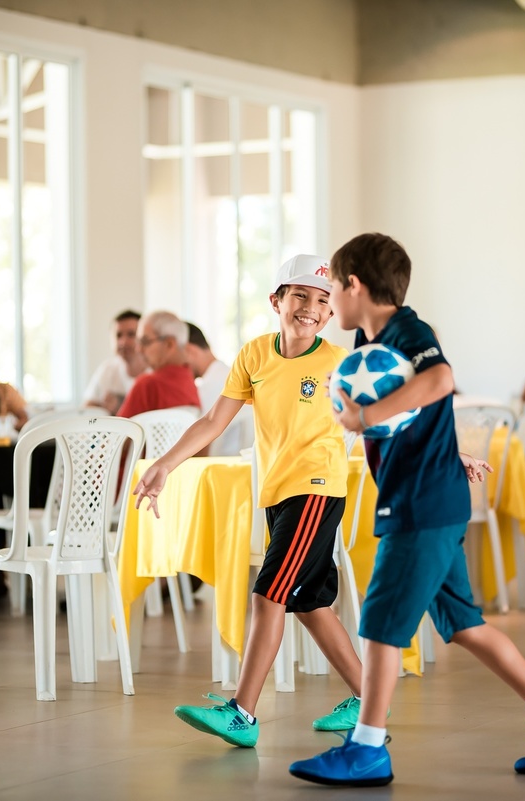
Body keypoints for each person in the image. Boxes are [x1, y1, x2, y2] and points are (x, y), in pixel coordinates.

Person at [288, 233, 525, 787]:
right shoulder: (366, 337)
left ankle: (367, 749)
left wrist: (364, 416)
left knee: (380, 622)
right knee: (463, 625)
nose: (329, 300)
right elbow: (420, 418)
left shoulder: (410, 331)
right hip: (431, 497)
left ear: (355, 285)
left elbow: (440, 381)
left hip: (421, 504)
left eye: (333, 289)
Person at [132, 255, 365, 748]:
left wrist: (449, 452)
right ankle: (369, 699)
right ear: (277, 301)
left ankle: (242, 713)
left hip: (316, 491)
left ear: (331, 313)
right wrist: (165, 464)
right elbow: (213, 421)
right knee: (309, 603)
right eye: (299, 295)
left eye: (322, 300)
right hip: (278, 493)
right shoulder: (254, 355)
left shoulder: (339, 363)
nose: (310, 307)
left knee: (268, 595)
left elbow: (383, 417)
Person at [115, 311, 201, 419]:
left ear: (169, 344)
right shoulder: (190, 382)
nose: (138, 349)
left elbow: (118, 429)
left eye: (145, 341)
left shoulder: (146, 385)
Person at [185, 321, 246, 456]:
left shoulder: (210, 386)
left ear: (190, 350)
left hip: (220, 461)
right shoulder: (228, 374)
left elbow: (201, 444)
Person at [82, 309, 148, 413]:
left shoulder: (155, 372)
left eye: (131, 334)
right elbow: (87, 409)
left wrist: (121, 407)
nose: (123, 342)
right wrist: (102, 406)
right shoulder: (107, 369)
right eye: (118, 335)